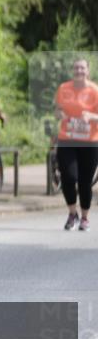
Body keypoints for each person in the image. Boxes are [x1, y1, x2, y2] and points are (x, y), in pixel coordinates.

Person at [54, 58, 98, 231]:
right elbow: (57, 110)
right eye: (76, 68)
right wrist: (60, 115)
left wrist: (92, 117)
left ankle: (85, 218)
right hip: (67, 138)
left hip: (90, 141)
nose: (79, 71)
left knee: (85, 181)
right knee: (68, 177)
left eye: (82, 68)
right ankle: (72, 213)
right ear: (73, 71)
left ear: (88, 71)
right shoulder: (64, 88)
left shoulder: (95, 90)